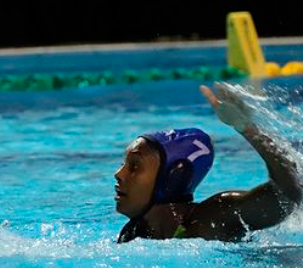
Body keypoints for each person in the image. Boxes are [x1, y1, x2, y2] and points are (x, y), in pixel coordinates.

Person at [115, 82, 302, 242]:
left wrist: (247, 128)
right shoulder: (134, 233)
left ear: (173, 178)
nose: (119, 174)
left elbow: (287, 195)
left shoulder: (213, 219)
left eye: (134, 166)